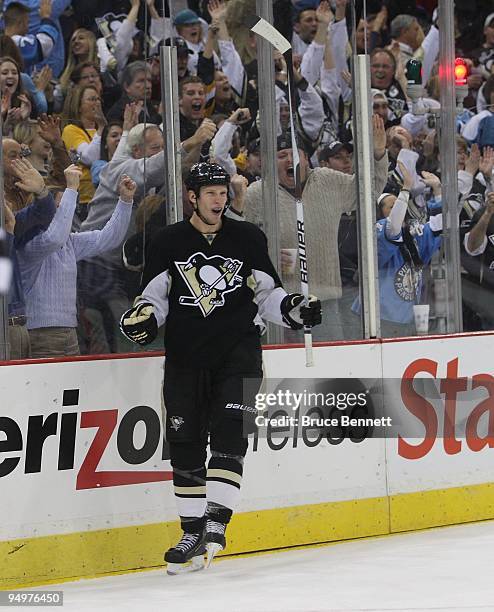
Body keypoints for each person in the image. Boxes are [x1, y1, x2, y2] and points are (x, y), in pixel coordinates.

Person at [120, 162, 321, 574]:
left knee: (229, 436)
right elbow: (154, 298)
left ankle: (216, 522)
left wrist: (295, 311)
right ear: (192, 196)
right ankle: (191, 531)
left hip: (239, 355)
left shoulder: (246, 237)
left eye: (223, 192)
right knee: (186, 445)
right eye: (210, 193)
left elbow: (268, 294)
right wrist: (143, 319)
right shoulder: (168, 242)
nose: (220, 199)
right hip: (185, 359)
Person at [15, 159, 136, 358]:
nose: (67, 212)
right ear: (44, 212)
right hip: (41, 334)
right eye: (61, 207)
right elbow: (54, 238)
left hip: (70, 331)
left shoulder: (69, 242)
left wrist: (124, 201)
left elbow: (109, 238)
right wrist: (71, 189)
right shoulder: (29, 244)